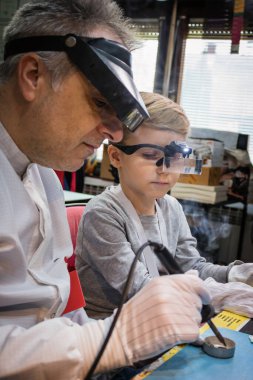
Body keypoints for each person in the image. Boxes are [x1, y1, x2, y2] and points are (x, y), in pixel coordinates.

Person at [0, 2, 211, 379]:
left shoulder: (42, 174)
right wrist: (110, 339)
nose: (114, 133)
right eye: (100, 102)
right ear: (32, 75)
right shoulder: (99, 208)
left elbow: (44, 317)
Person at [76, 92, 253, 320]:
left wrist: (238, 275)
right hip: (110, 329)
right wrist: (221, 295)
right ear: (116, 157)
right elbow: (141, 289)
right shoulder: (102, 215)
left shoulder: (171, 208)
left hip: (162, 316)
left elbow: (191, 267)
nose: (165, 169)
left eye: (176, 157)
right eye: (150, 155)